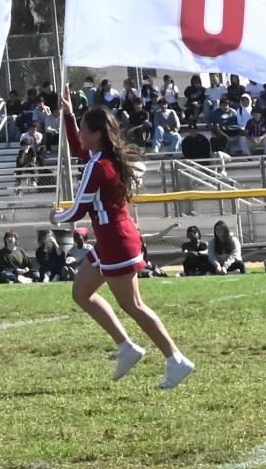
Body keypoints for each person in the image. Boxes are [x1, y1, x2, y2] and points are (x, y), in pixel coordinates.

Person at [56, 87, 194, 388]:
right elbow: (79, 150)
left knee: (134, 305)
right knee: (81, 293)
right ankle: (127, 347)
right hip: (108, 241)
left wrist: (56, 217)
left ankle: (176, 359)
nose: (79, 133)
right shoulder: (102, 158)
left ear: (97, 135)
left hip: (117, 243)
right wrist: (68, 115)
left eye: (82, 129)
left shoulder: (98, 166)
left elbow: (78, 209)